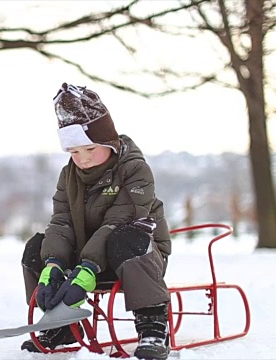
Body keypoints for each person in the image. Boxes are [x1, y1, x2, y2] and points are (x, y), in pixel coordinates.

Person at [20, 83, 172, 359]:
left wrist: (89, 265)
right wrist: (53, 263)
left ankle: (153, 324)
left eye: (89, 148)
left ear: (107, 141)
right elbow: (61, 221)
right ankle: (62, 323)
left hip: (138, 255)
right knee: (37, 247)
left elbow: (122, 218)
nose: (83, 159)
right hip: (88, 259)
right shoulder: (69, 177)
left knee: (125, 237)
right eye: (74, 152)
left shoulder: (134, 169)